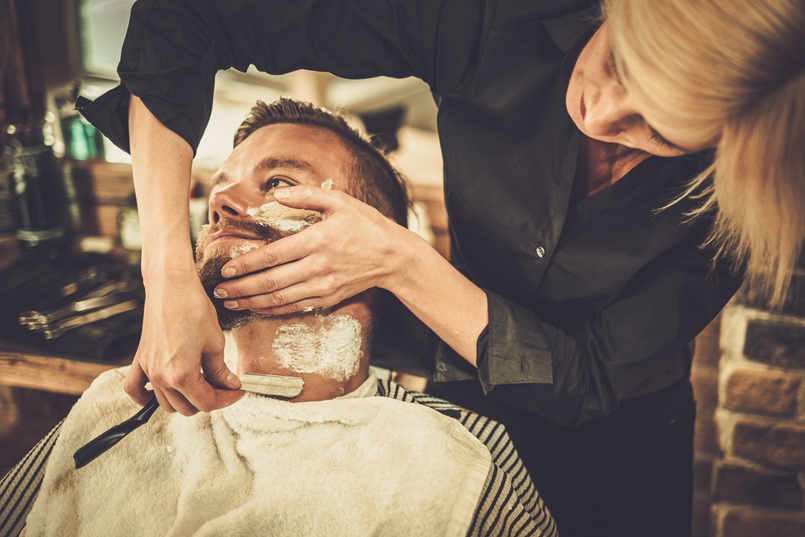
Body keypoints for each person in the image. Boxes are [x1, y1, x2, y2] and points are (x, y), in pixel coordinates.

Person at [76, 0, 805, 535]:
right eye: (615, 63)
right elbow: (187, 15)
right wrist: (166, 271)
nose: (598, 110)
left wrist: (400, 261)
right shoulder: (495, 21)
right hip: (469, 387)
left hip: (621, 432)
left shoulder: (743, 196)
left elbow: (590, 378)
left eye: (655, 129)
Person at [0, 99, 555, 537]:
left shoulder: (451, 455)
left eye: (279, 182)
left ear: (374, 245)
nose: (221, 204)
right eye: (220, 187)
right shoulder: (123, 402)